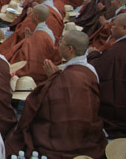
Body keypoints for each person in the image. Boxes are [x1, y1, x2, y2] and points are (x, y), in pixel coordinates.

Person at [6, 30, 107, 158]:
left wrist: (52, 79)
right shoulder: (91, 71)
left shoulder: (67, 76)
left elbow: (45, 104)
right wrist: (55, 78)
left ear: (70, 49)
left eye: (61, 42)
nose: (58, 45)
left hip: (62, 134)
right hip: (86, 131)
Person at [88, 13, 126, 138]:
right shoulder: (115, 49)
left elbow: (98, 70)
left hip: (117, 115)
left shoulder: (116, 52)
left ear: (124, 28)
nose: (111, 27)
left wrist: (93, 55)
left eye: (114, 25)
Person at [6, 5, 61, 84]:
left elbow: (33, 60)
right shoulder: (46, 31)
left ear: (36, 17)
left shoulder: (40, 35)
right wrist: (29, 39)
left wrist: (28, 40)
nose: (30, 15)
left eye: (32, 14)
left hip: (37, 74)